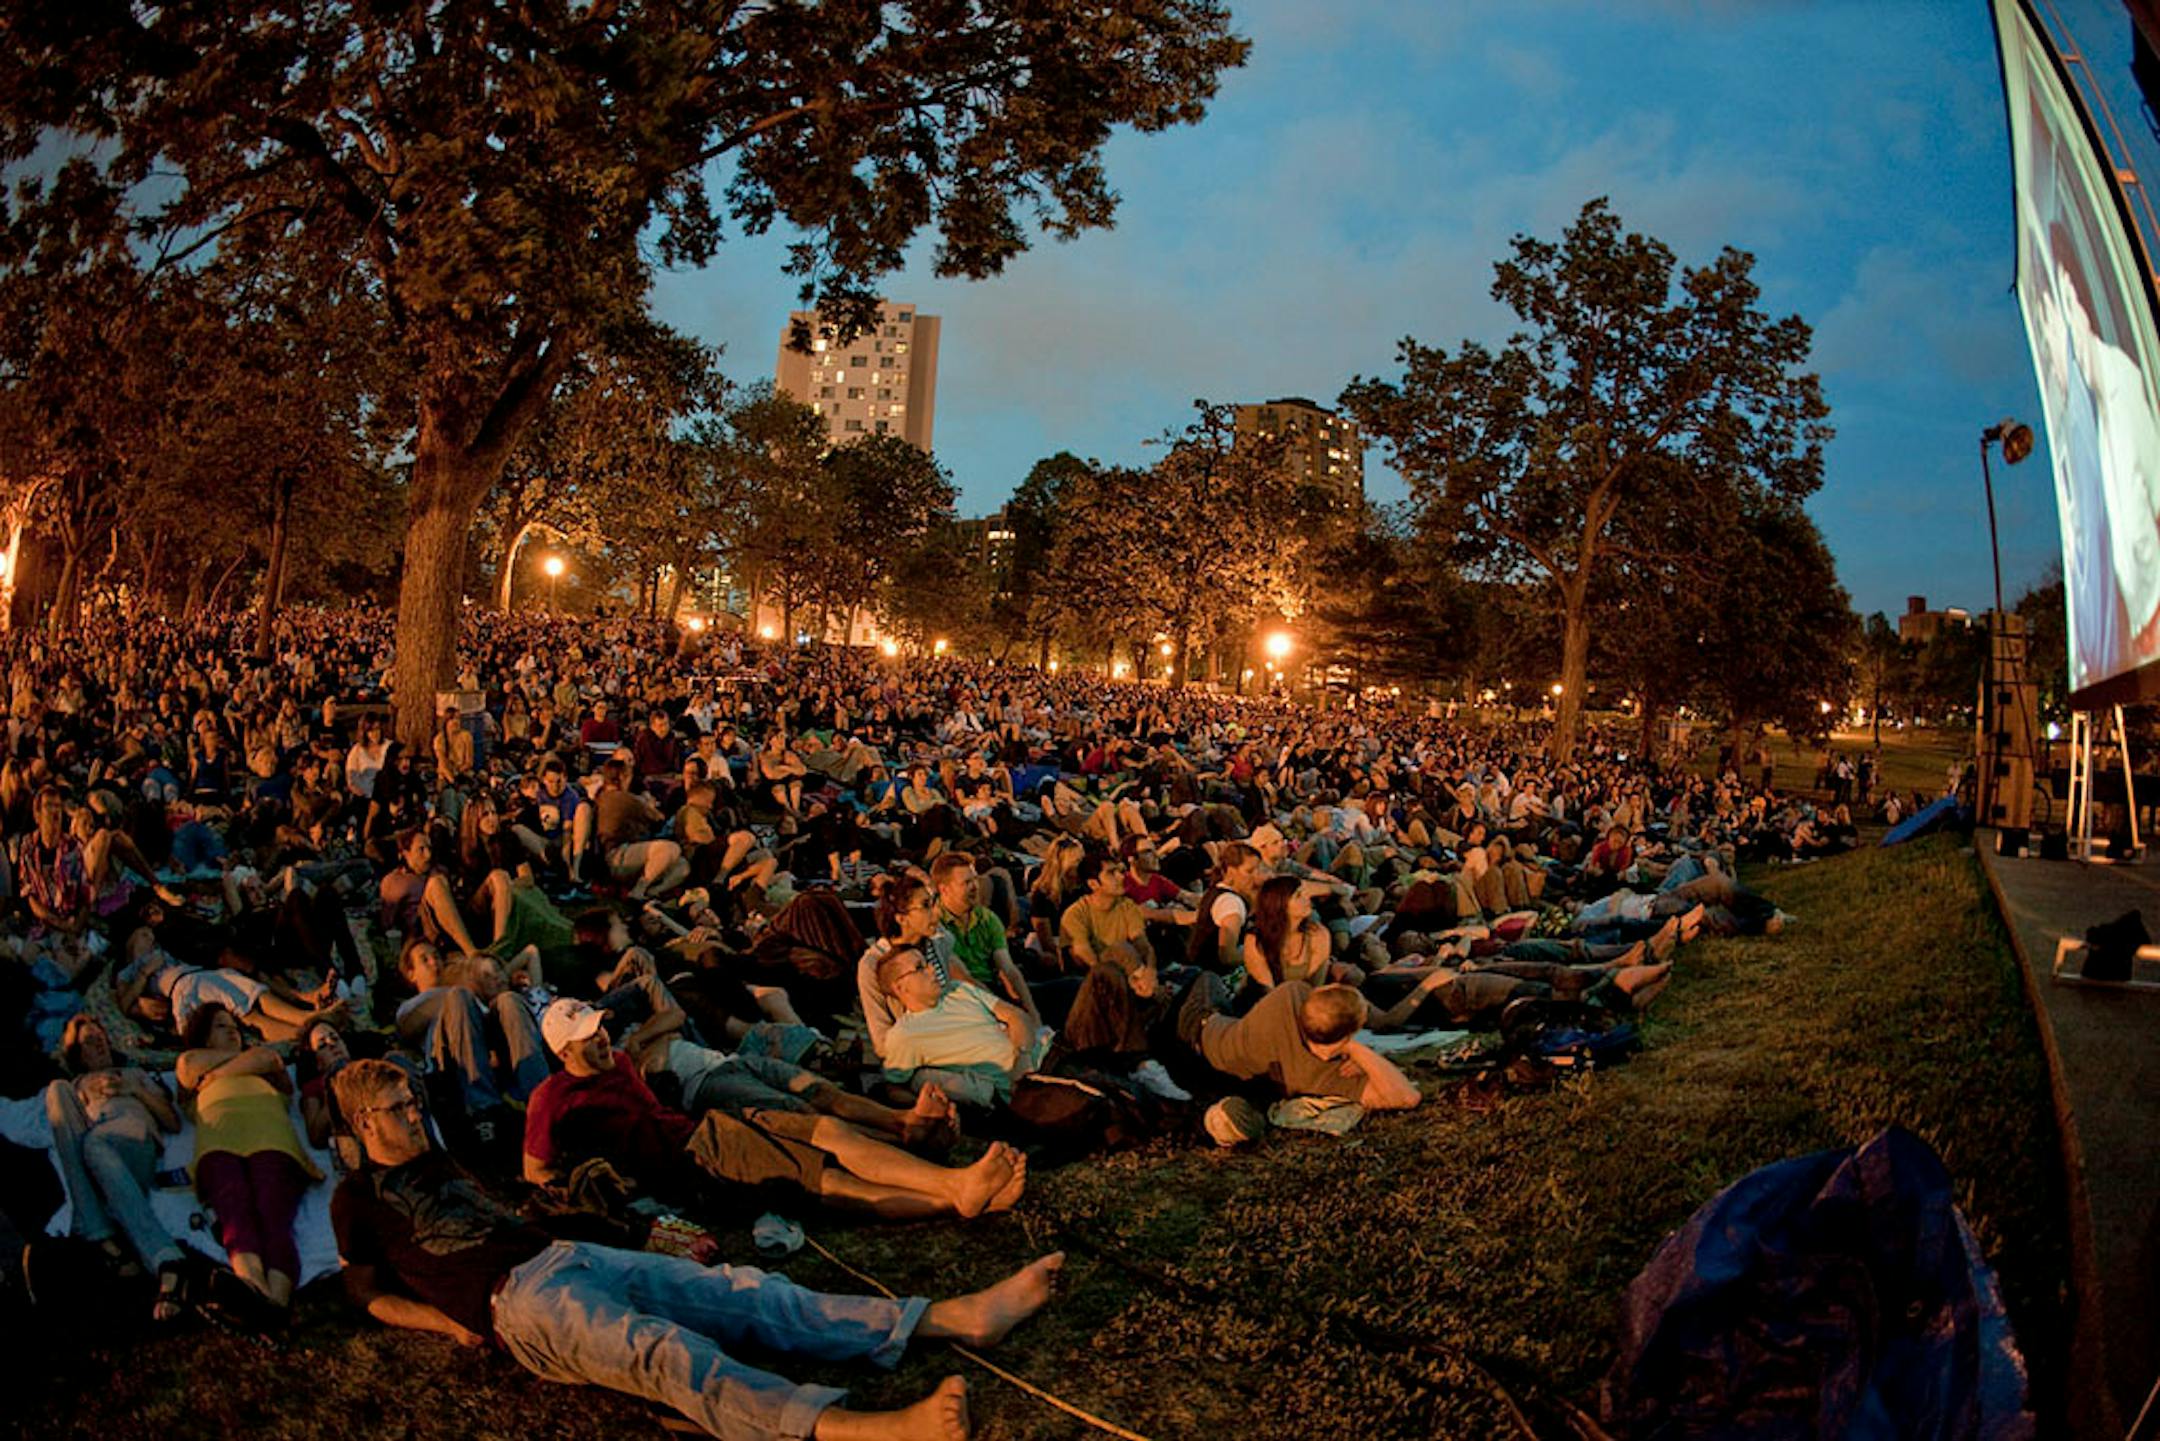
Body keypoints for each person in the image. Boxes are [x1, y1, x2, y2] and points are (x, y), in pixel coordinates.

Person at [332, 1057, 1063, 1441]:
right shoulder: (357, 1196)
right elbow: (363, 1292)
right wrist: (444, 1321)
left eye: (414, 1101)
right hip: (516, 1302)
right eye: (399, 1107)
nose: (414, 1112)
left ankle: (949, 1317)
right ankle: (859, 1427)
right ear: (365, 1119)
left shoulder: (438, 1160)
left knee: (747, 1292)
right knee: (667, 1355)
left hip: (564, 1254)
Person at [522, 999, 1024, 1224]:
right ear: (564, 1052)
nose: (601, 1038)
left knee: (826, 1127)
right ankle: (955, 1194)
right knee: (822, 1181)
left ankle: (948, 1175)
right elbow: (536, 1170)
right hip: (693, 1163)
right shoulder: (552, 1097)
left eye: (599, 1027)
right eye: (587, 1038)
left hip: (705, 1132)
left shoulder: (625, 1062)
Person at [176, 1002, 322, 1314]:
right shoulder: (194, 1064)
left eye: (234, 1026)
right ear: (203, 1035)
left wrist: (217, 1075)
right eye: (220, 1026)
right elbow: (188, 1066)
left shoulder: (261, 1067)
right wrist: (247, 1062)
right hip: (219, 1141)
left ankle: (274, 1301)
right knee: (234, 1210)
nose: (232, 1031)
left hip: (270, 1136)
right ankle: (254, 1287)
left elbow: (269, 1057)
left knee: (273, 1212)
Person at [44, 1014, 189, 1317]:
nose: (98, 1043)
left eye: (100, 1037)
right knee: (57, 1090)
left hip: (133, 1144)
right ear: (78, 1054)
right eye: (89, 1041)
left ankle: (138, 1250)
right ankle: (113, 1238)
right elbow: (70, 1137)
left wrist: (132, 1091)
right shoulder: (77, 1085)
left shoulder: (133, 1074)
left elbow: (172, 1122)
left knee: (95, 1144)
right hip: (95, 1155)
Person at [1180, 978, 1421, 1111]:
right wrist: (1356, 1051)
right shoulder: (1316, 1075)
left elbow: (1322, 1004)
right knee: (1202, 978)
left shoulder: (1290, 994)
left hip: (1206, 1031)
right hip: (1201, 1033)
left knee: (1207, 977)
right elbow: (1406, 1097)